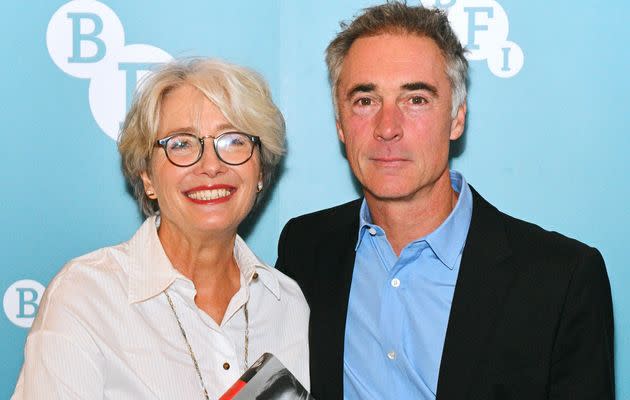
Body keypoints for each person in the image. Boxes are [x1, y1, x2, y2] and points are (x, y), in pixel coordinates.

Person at [276, 3, 614, 400]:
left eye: (415, 99)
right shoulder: (306, 248)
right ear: (340, 124)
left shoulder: (561, 281)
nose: (387, 127)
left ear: (457, 119)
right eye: (365, 100)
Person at [13, 58, 309, 399]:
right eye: (181, 144)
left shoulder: (289, 304)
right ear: (147, 176)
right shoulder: (85, 297)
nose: (210, 165)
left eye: (233, 140)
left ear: (260, 171)